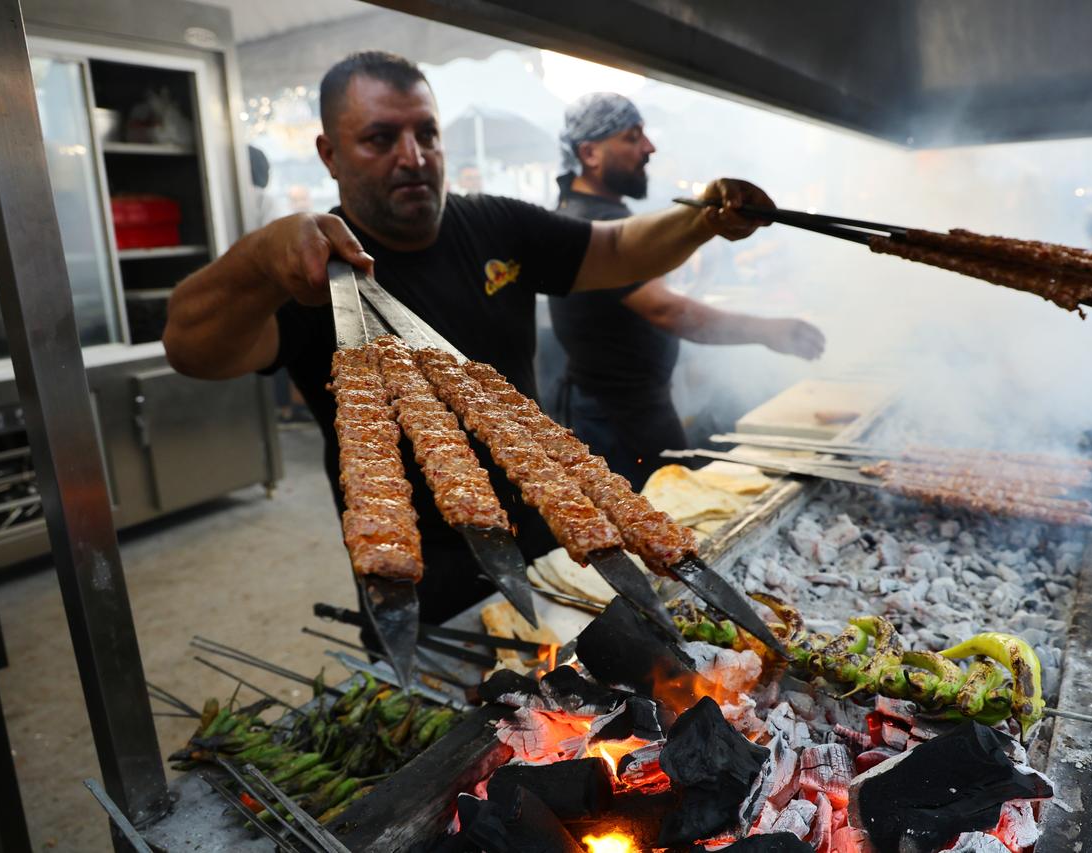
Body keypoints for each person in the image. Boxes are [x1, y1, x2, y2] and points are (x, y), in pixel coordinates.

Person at [162, 52, 777, 625]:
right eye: (380, 139)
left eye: (426, 133)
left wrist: (701, 220)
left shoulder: (495, 223)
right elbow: (190, 348)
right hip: (418, 573)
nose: (413, 155)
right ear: (329, 154)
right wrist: (257, 259)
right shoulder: (306, 268)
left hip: (552, 538)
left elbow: (613, 249)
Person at [548, 93, 826, 489]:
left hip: (627, 407)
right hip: (617, 419)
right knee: (661, 526)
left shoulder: (598, 213)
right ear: (590, 153)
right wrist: (769, 332)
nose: (649, 147)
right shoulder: (590, 219)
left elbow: (640, 296)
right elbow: (666, 310)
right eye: (632, 137)